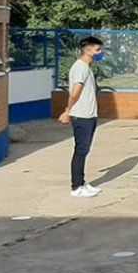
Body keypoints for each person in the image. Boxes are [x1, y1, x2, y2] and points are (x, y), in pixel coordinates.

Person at [60, 36, 103, 198]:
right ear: (88, 50)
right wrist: (68, 110)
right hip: (81, 116)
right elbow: (76, 91)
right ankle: (76, 187)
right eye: (97, 50)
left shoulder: (86, 67)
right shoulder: (80, 68)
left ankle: (82, 182)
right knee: (81, 150)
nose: (100, 53)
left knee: (84, 150)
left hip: (89, 115)